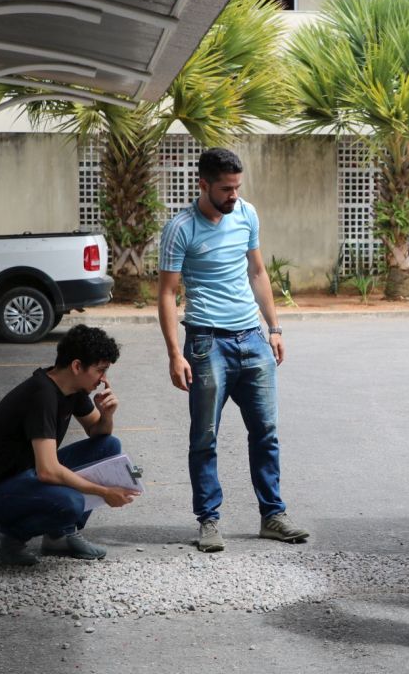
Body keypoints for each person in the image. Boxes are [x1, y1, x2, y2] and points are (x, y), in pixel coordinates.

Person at [158, 147, 308, 553]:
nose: (233, 196)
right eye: (225, 189)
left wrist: (274, 328)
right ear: (203, 184)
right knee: (205, 436)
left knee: (266, 432)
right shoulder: (181, 228)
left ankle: (272, 515)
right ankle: (208, 520)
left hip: (253, 339)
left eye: (237, 187)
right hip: (207, 343)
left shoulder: (246, 214)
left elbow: (257, 271)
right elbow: (168, 294)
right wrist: (175, 353)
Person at [0, 325, 139, 565]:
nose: (104, 379)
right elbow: (47, 470)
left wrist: (106, 414)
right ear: (77, 366)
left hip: (28, 476)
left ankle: (60, 537)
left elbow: (96, 432)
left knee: (108, 446)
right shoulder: (42, 395)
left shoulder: (72, 389)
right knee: (72, 502)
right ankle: (10, 535)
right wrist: (104, 492)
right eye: (100, 370)